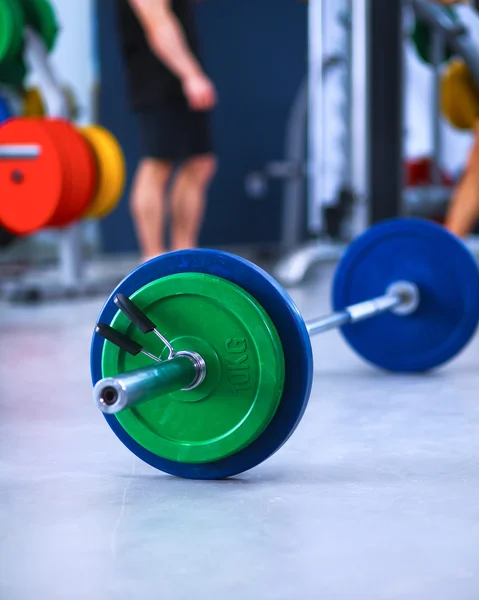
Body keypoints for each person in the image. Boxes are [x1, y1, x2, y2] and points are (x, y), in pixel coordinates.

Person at [116, 0, 217, 262]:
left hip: (180, 72)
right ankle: (152, 257)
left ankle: (184, 253)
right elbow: (157, 23)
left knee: (200, 161)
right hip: (158, 77)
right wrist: (191, 74)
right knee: (157, 163)